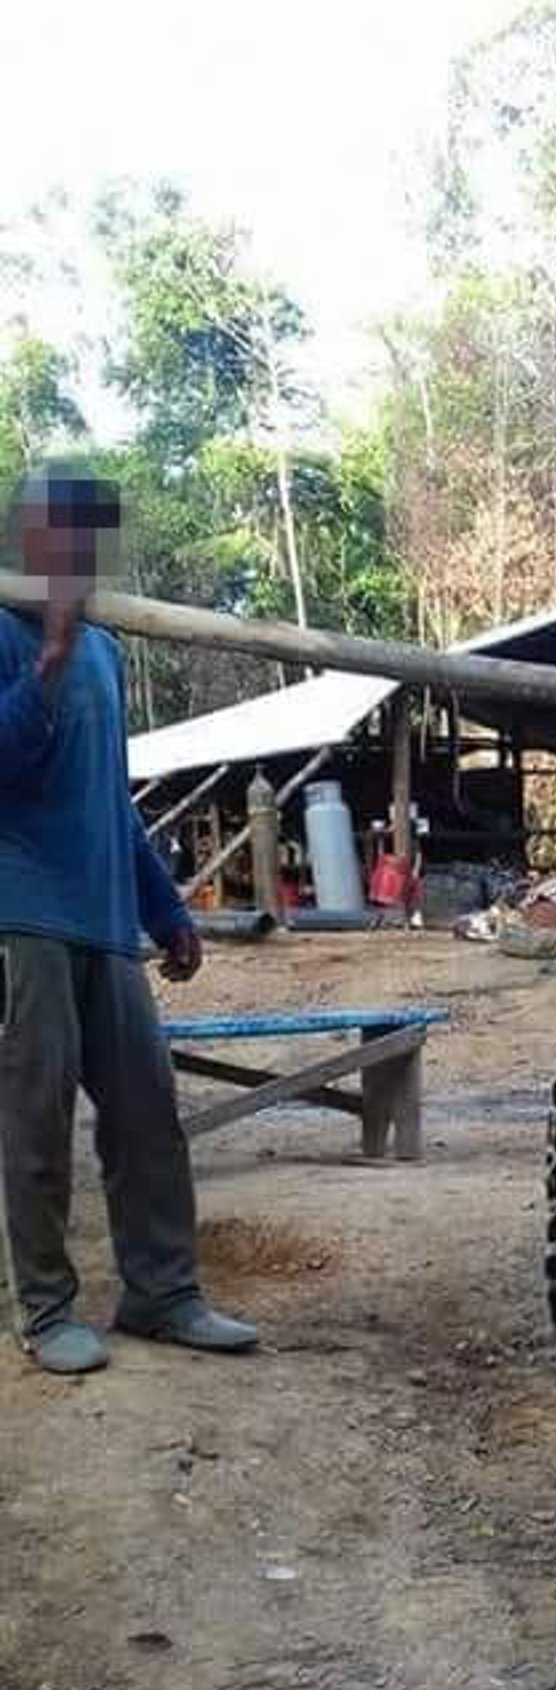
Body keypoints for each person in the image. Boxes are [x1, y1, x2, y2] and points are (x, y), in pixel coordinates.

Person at [0, 466, 258, 1374]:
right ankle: (46, 1309)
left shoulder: (105, 648)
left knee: (148, 1114)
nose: (78, 554)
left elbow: (111, 796)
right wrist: (48, 660)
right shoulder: (5, 631)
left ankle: (163, 1292)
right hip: (21, 917)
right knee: (34, 1122)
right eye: (62, 535)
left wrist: (165, 905)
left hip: (109, 921)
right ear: (30, 539)